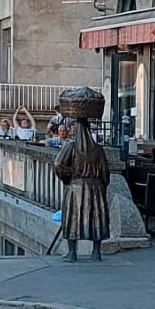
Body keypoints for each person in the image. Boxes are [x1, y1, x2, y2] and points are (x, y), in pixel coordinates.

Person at [52, 108, 112, 262]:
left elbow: (58, 164)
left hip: (76, 186)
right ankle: (96, 252)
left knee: (73, 217)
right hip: (96, 187)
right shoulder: (98, 150)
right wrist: (102, 185)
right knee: (96, 218)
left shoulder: (71, 147)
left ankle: (72, 253)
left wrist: (68, 177)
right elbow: (105, 173)